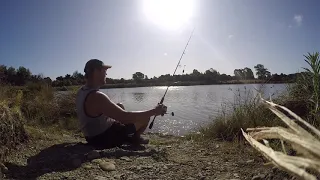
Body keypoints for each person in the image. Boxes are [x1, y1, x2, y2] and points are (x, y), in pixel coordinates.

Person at [76, 59, 167, 149]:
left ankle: (128, 135)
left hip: (91, 136)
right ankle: (135, 138)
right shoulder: (97, 96)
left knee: (120, 105)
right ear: (96, 71)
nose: (106, 74)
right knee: (145, 117)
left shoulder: (82, 91)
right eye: (104, 70)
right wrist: (154, 111)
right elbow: (125, 117)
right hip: (103, 139)